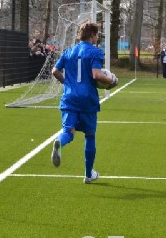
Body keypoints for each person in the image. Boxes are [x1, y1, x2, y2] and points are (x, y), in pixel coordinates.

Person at [50, 23, 118, 184]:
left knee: (68, 131)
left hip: (70, 98)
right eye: (97, 35)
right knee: (90, 135)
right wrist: (112, 81)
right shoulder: (95, 52)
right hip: (87, 99)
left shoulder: (69, 51)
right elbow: (96, 75)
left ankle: (60, 141)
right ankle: (88, 174)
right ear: (92, 35)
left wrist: (67, 83)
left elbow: (54, 71)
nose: (97, 37)